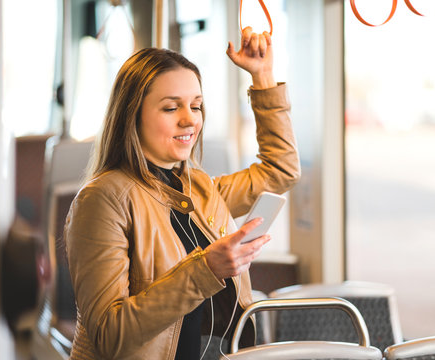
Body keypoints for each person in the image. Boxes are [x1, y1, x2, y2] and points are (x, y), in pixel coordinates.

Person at [65, 27, 300, 360]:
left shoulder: (200, 189)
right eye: (171, 108)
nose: (190, 120)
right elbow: (109, 335)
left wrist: (262, 77)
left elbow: (281, 171)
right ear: (133, 115)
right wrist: (206, 270)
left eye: (196, 105)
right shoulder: (103, 199)